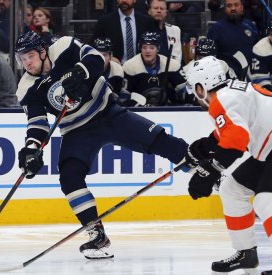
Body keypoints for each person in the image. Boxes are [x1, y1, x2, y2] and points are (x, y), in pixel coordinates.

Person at [14, 31, 191, 259]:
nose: (26, 62)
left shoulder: (64, 47)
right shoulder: (26, 87)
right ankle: (96, 235)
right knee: (69, 177)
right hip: (76, 131)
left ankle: (206, 169)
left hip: (108, 113)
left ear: (42, 51)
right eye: (21, 58)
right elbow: (37, 123)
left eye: (29, 55)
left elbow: (95, 57)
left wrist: (79, 72)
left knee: (158, 140)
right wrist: (31, 148)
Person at [185, 56, 272, 274]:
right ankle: (246, 253)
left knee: (267, 199)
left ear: (202, 86)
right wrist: (205, 146)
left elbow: (236, 142)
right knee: (232, 189)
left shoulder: (221, 99)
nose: (193, 92)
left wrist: (208, 172)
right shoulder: (231, 91)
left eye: (193, 87)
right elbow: (234, 128)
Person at [123, 32, 191, 106]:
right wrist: (137, 105)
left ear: (158, 49)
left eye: (152, 48)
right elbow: (123, 98)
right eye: (144, 47)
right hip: (138, 111)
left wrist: (189, 102)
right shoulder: (130, 67)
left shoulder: (173, 65)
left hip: (165, 110)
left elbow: (185, 91)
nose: (147, 51)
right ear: (140, 49)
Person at [93, 0, 158, 63]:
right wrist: (109, 57)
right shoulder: (105, 21)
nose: (124, 0)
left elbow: (155, 44)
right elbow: (94, 45)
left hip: (141, 67)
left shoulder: (146, 21)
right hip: (115, 67)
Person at [207, 0, 257, 80]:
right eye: (229, 6)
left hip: (250, 77)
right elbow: (210, 58)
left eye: (236, 5)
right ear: (225, 9)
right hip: (227, 78)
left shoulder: (251, 26)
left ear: (242, 7)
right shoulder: (216, 29)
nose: (233, 8)